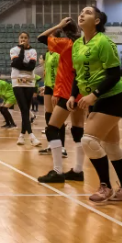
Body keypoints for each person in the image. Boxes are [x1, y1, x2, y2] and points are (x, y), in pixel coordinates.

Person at [70, 6, 122, 204]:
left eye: (88, 13)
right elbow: (78, 74)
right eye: (81, 12)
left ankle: (105, 186)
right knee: (112, 147)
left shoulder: (104, 42)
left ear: (97, 21)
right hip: (95, 99)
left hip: (112, 98)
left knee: (88, 140)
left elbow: (114, 75)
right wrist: (74, 95)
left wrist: (94, 95)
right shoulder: (77, 44)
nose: (81, 14)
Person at [36, 19, 84, 183]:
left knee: (52, 129)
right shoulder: (84, 44)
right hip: (81, 92)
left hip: (66, 92)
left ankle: (57, 171)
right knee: (78, 131)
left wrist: (57, 25)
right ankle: (78, 170)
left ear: (64, 31)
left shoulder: (66, 44)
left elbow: (41, 37)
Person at [10, 32, 40, 147]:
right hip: (17, 80)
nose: (23, 39)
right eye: (21, 38)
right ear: (19, 39)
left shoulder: (33, 51)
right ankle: (32, 136)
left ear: (29, 39)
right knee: (23, 108)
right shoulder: (13, 50)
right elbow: (16, 64)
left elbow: (31, 67)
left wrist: (21, 65)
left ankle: (22, 135)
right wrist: (22, 49)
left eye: (25, 38)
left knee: (26, 109)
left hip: (29, 81)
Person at [39, 48, 59, 150]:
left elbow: (59, 73)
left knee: (57, 115)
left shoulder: (58, 54)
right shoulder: (48, 55)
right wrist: (45, 87)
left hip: (57, 87)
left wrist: (56, 88)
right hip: (48, 87)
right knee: (48, 114)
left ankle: (61, 147)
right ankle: (52, 144)